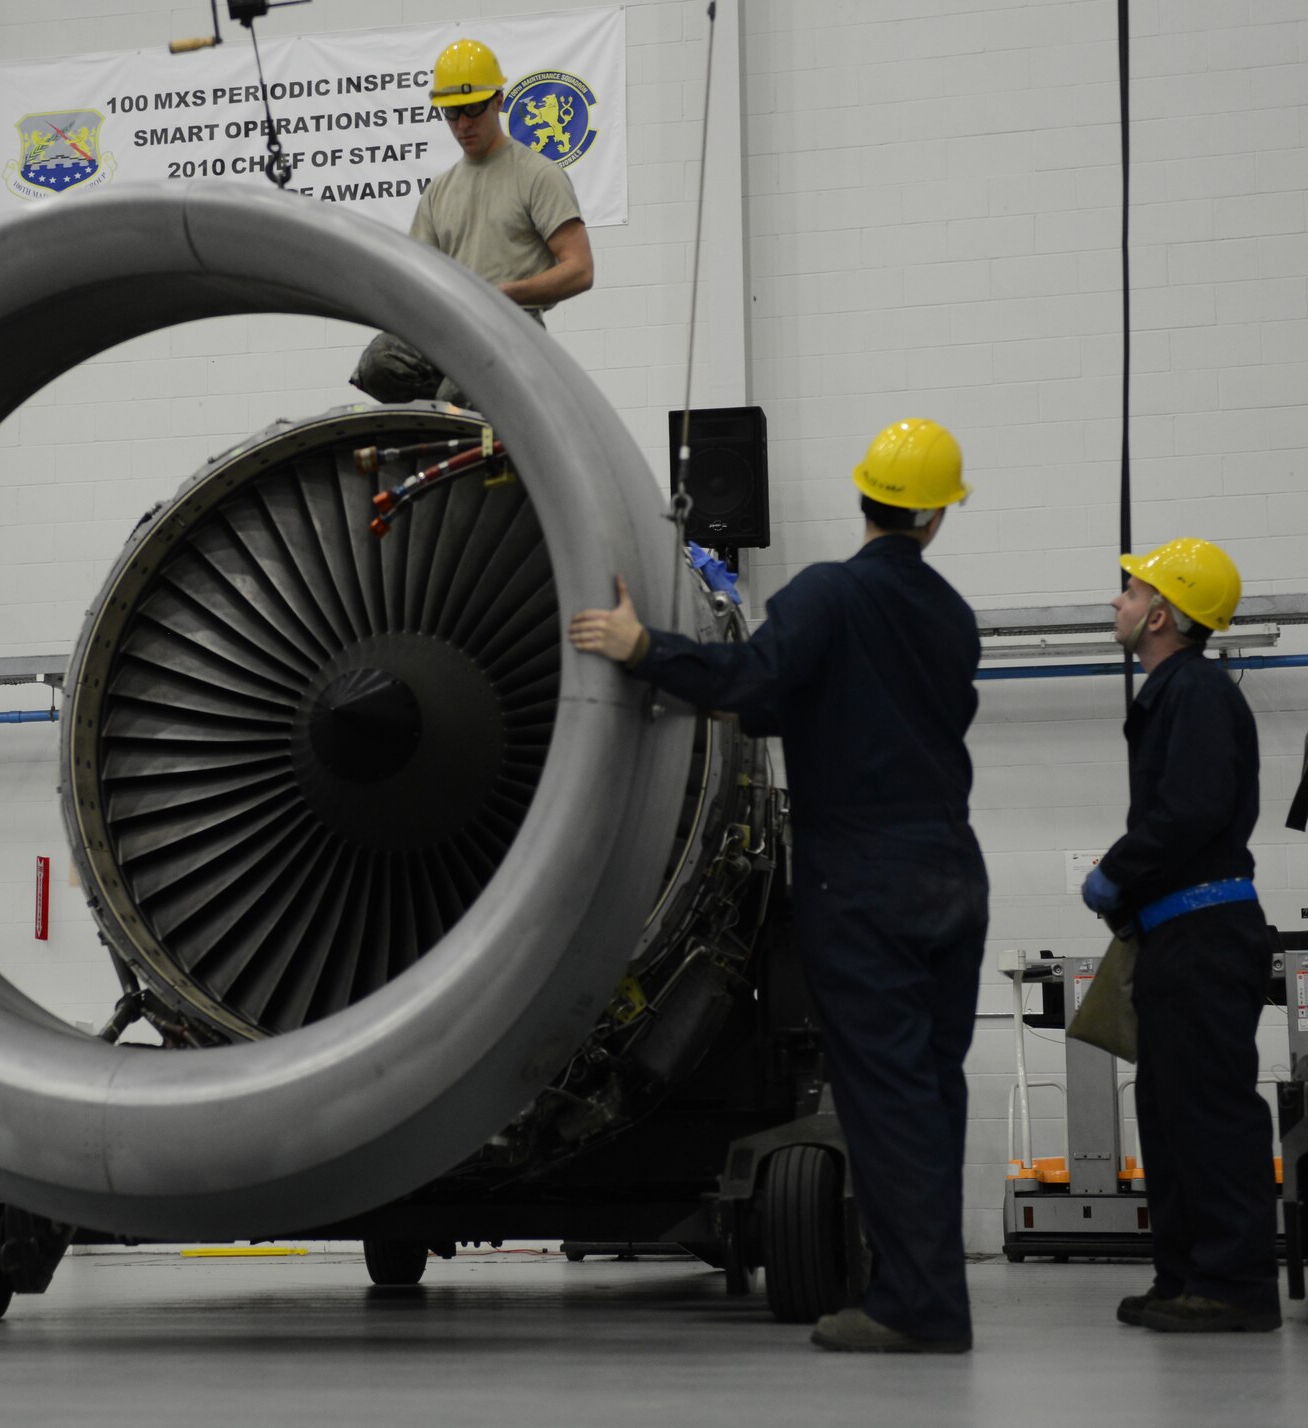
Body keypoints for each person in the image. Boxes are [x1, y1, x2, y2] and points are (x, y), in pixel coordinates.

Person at [568, 419, 987, 1353]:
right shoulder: (952, 618)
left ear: (865, 497)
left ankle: (915, 1310)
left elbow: (751, 685)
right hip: (952, 876)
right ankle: (935, 1300)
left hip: (868, 882)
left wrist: (644, 651)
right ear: (936, 519)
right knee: (930, 1093)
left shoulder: (829, 596)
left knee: (881, 1099)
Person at [1081, 538, 1281, 1333]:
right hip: (1177, 937)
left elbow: (1192, 809)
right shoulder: (1176, 691)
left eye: (1129, 593)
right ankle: (1187, 1277)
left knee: (1208, 1112)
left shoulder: (1194, 689)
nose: (1118, 604)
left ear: (1161, 614)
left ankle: (1235, 1287)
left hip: (1204, 936)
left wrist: (1118, 870)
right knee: (1169, 1112)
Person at [351, 37, 594, 405]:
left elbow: (580, 270)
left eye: (472, 108)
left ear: (498, 101)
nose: (462, 123)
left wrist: (506, 294)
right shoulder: (439, 191)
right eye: (451, 112)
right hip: (455, 326)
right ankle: (445, 421)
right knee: (379, 362)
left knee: (459, 393)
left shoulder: (537, 175)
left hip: (514, 327)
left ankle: (459, 415)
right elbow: (420, 278)